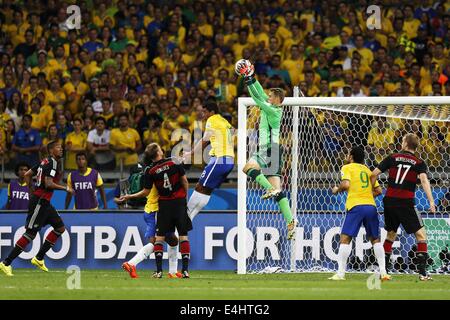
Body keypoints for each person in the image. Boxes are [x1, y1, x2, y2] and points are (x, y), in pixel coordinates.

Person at [236, 59, 297, 240]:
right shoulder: (272, 105)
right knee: (278, 193)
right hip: (274, 151)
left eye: (270, 96)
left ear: (277, 100)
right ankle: (291, 222)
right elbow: (260, 92)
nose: (267, 97)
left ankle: (268, 188)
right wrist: (251, 77)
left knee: (247, 168)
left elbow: (255, 98)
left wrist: (247, 80)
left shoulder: (273, 110)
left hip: (269, 149)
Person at [0, 141, 74, 276]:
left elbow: (27, 174)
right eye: (58, 147)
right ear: (51, 150)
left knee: (60, 228)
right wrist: (66, 188)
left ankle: (39, 258)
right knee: (30, 234)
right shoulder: (52, 163)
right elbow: (49, 183)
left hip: (44, 202)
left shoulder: (44, 161)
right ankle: (6, 263)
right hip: (40, 202)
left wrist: (31, 189)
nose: (61, 149)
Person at [119, 143, 192, 278]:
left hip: (156, 209)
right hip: (156, 210)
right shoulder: (159, 168)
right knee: (158, 241)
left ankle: (172, 272)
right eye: (160, 147)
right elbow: (149, 191)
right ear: (158, 152)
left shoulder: (150, 170)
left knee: (173, 241)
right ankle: (132, 263)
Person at [371, 133, 436, 281]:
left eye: (402, 140)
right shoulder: (419, 162)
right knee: (421, 235)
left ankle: (384, 271)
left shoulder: (392, 157)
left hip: (389, 201)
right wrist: (431, 201)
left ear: (406, 144)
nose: (401, 142)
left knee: (391, 235)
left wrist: (373, 191)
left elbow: (373, 174)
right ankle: (423, 273)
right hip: (406, 202)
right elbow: (424, 181)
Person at [329, 146, 390, 281]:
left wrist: (336, 190)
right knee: (375, 239)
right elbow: (379, 190)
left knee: (345, 239)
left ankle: (340, 274)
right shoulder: (368, 170)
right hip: (371, 206)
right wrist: (366, 195)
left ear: (351, 157)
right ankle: (384, 272)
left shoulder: (347, 168)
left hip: (356, 206)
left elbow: (345, 185)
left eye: (347, 154)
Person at [183, 101, 235, 221]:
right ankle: (188, 220)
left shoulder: (212, 120)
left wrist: (190, 153)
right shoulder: (223, 120)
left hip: (220, 159)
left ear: (212, 112)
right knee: (206, 190)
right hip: (229, 160)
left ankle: (184, 219)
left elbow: (204, 140)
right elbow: (233, 130)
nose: (203, 114)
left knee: (199, 187)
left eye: (205, 112)